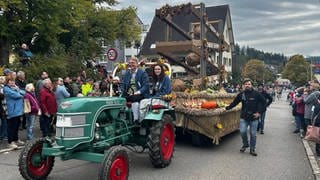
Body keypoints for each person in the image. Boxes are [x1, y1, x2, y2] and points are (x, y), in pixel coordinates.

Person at [225, 78, 266, 156]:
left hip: (254, 117)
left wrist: (259, 113)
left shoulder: (257, 94)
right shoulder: (241, 94)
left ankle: (252, 149)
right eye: (246, 84)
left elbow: (264, 103)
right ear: (243, 85)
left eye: (249, 84)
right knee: (242, 131)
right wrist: (227, 108)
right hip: (244, 117)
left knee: (253, 134)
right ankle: (245, 144)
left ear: (251, 85)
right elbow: (235, 102)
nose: (247, 85)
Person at [121, 57, 149, 122]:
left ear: (137, 64)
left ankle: (136, 119)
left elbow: (146, 85)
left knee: (134, 99)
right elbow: (123, 84)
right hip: (129, 93)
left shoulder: (142, 73)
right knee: (120, 99)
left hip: (140, 94)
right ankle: (122, 118)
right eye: (130, 63)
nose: (131, 64)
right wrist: (122, 90)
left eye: (133, 63)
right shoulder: (127, 73)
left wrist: (138, 92)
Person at [3, 76, 26, 149]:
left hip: (18, 111)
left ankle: (16, 139)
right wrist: (18, 92)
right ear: (7, 81)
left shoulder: (15, 88)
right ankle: (10, 142)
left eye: (13, 81)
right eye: (10, 81)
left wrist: (18, 89)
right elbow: (17, 95)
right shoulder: (6, 89)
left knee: (16, 126)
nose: (12, 82)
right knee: (11, 127)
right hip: (11, 111)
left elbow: (24, 93)